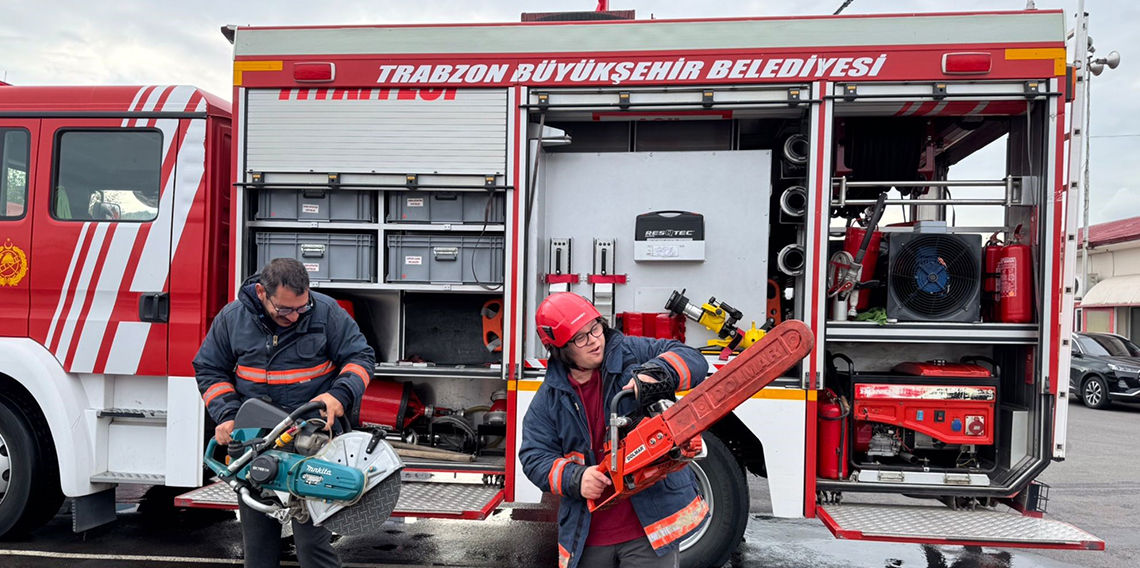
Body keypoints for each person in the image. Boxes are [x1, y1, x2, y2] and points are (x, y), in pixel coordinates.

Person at [194, 258, 375, 568]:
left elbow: (361, 357)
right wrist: (227, 415)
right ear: (262, 293)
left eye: (301, 308)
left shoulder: (326, 312)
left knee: (312, 547)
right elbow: (209, 368)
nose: (294, 317)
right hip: (254, 445)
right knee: (259, 551)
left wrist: (339, 395)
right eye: (285, 310)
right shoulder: (232, 319)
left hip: (312, 446)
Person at [520, 292, 710, 568]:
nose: (594, 340)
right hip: (588, 539)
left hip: (648, 534)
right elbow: (534, 456)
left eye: (595, 328)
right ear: (559, 349)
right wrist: (577, 478)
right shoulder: (548, 399)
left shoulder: (632, 353)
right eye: (580, 337)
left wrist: (657, 374)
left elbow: (692, 359)